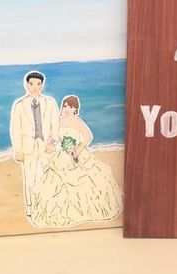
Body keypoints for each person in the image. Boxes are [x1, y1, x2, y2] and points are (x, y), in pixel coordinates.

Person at [29, 95, 123, 228]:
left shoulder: (78, 122)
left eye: (71, 106)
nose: (67, 109)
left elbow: (88, 136)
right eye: (65, 106)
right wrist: (49, 143)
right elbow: (56, 137)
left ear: (75, 109)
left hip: (77, 154)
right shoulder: (59, 122)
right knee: (56, 182)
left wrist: (78, 150)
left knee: (85, 180)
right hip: (62, 156)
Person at [9, 71, 60, 218]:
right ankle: (31, 207)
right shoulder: (19, 105)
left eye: (38, 84)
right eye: (32, 84)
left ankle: (48, 206)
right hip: (28, 147)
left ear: (42, 85)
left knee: (48, 175)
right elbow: (15, 129)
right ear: (26, 85)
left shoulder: (50, 102)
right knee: (30, 178)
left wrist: (53, 142)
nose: (35, 87)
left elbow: (56, 124)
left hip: (46, 145)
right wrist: (18, 150)